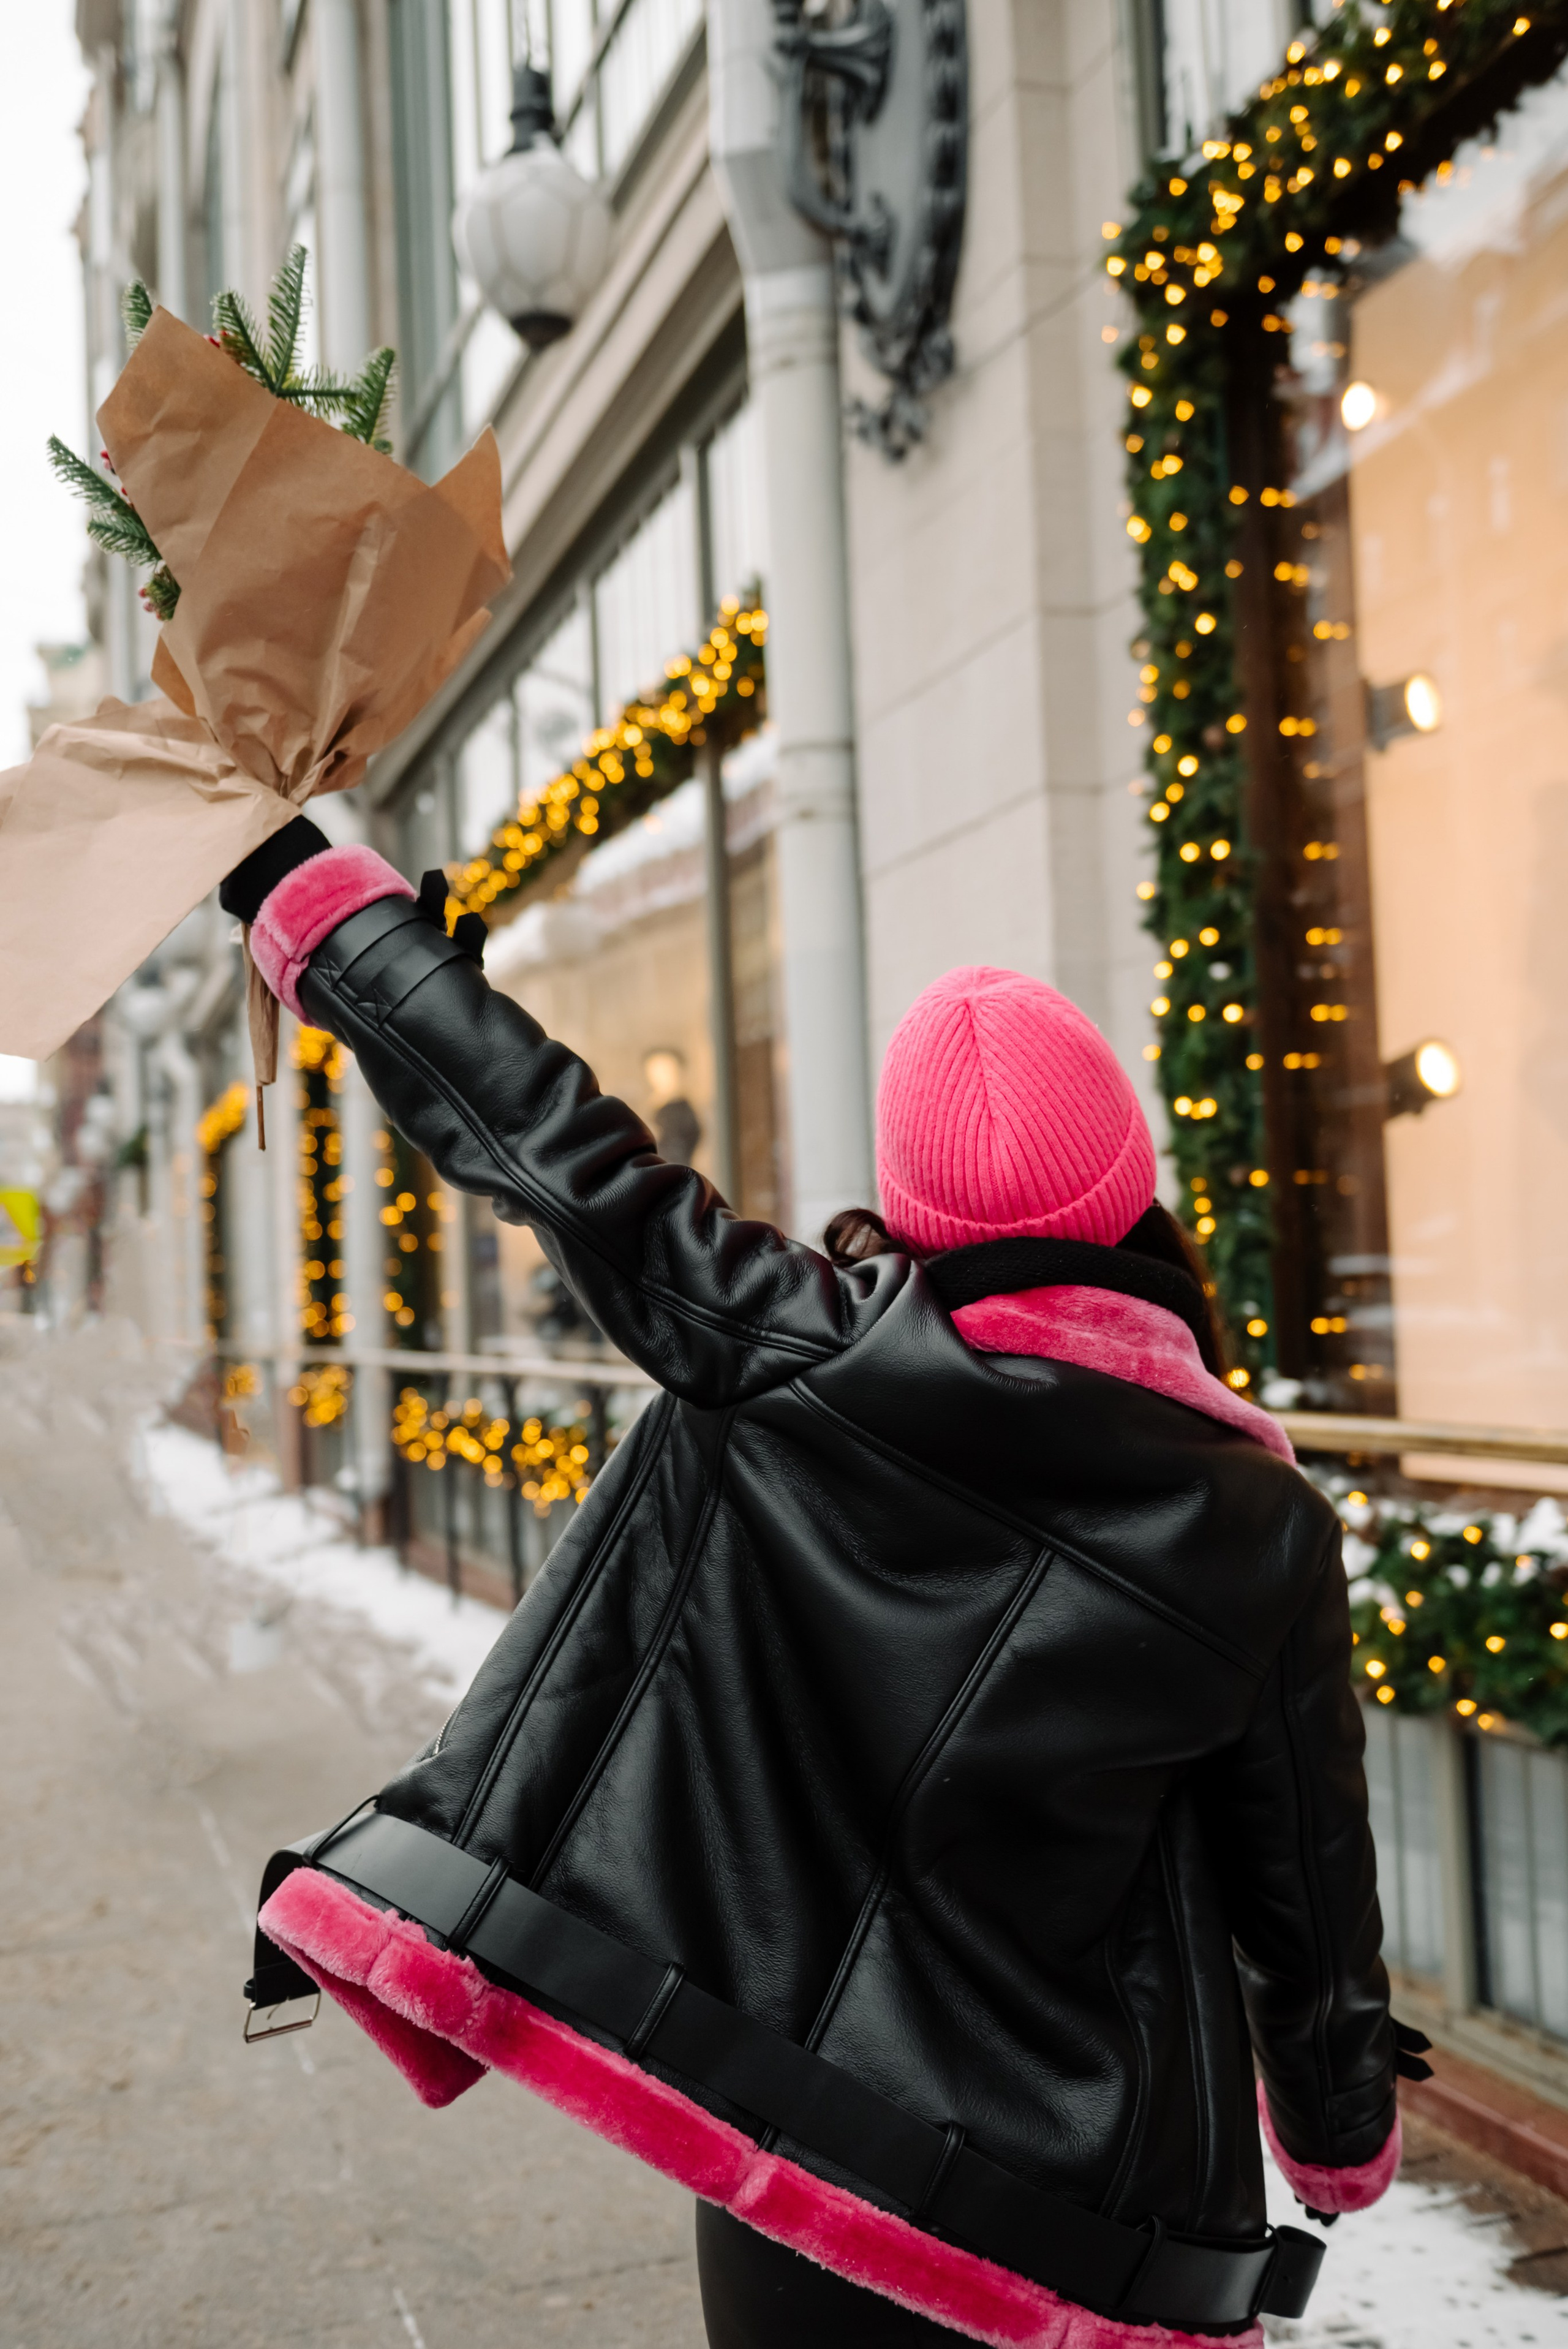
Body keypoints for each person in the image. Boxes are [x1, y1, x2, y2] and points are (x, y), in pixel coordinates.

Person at [229, 820, 1426, 2349]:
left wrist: (328, 917)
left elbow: (558, 1151)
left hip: (793, 2149)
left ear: (911, 1203)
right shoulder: (1254, 1521)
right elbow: (1305, 1888)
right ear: (1132, 1191)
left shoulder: (783, 1358)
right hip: (1070, 2222)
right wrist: (1332, 2136)